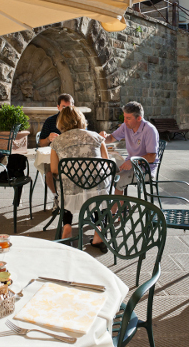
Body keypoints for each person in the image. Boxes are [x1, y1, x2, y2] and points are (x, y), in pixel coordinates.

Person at [50, 106, 110, 252]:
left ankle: (67, 227)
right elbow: (106, 162)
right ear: (81, 119)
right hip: (97, 188)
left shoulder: (57, 142)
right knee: (99, 185)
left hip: (71, 190)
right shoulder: (96, 137)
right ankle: (98, 233)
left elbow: (54, 169)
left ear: (61, 122)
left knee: (65, 183)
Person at [100, 101, 159, 195]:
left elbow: (151, 157)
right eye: (124, 117)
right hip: (130, 164)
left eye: (128, 118)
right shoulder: (126, 126)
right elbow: (111, 138)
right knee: (107, 171)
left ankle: (114, 208)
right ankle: (123, 204)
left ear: (139, 118)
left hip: (146, 169)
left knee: (118, 179)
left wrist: (132, 161)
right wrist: (102, 137)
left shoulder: (150, 130)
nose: (124, 121)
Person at [38, 93, 74, 207]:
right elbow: (41, 143)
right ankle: (56, 196)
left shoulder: (77, 120)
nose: (67, 110)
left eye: (70, 106)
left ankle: (73, 197)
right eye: (64, 107)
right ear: (58, 107)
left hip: (73, 154)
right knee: (49, 171)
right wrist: (49, 138)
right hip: (54, 154)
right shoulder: (50, 121)